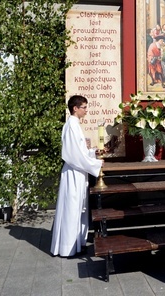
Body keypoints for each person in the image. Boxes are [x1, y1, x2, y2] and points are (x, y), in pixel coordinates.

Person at [51, 95, 103, 257]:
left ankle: (78, 242)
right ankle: (67, 247)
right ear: (75, 108)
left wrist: (93, 152)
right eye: (84, 107)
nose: (86, 110)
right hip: (73, 172)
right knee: (72, 209)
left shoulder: (75, 125)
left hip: (79, 171)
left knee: (79, 208)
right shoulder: (71, 126)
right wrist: (96, 164)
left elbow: (79, 151)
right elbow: (72, 155)